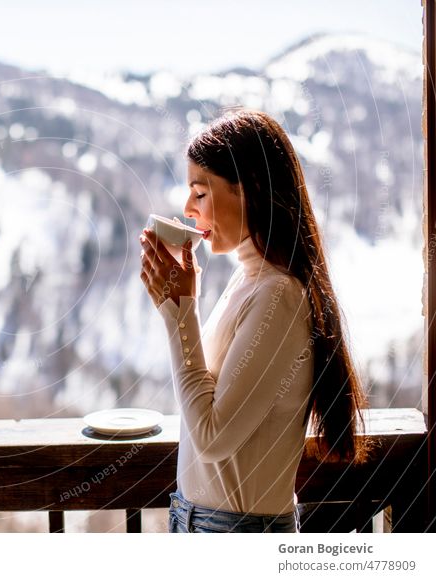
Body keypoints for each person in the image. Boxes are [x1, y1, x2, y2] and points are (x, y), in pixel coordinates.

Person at [139, 108, 369, 533]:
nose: (188, 209)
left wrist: (180, 309)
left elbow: (212, 437)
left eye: (201, 193)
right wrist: (181, 300)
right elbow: (203, 399)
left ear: (252, 191)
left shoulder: (278, 297)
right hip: (201, 522)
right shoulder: (250, 280)